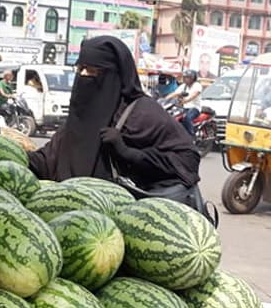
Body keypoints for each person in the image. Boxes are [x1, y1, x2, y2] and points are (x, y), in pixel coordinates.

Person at [28, 36, 201, 208]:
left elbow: (187, 160)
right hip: (70, 220)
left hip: (124, 224)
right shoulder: (79, 117)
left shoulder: (141, 113)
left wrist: (129, 153)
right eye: (80, 69)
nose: (83, 76)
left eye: (92, 71)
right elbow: (45, 161)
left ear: (116, 75)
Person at [163, 69, 203, 135]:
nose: (185, 79)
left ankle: (191, 136)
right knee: (173, 116)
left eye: (188, 77)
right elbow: (175, 93)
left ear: (193, 78)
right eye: (185, 77)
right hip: (184, 108)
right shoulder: (184, 86)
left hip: (194, 108)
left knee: (187, 117)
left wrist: (185, 100)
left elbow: (194, 95)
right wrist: (164, 99)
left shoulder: (197, 85)